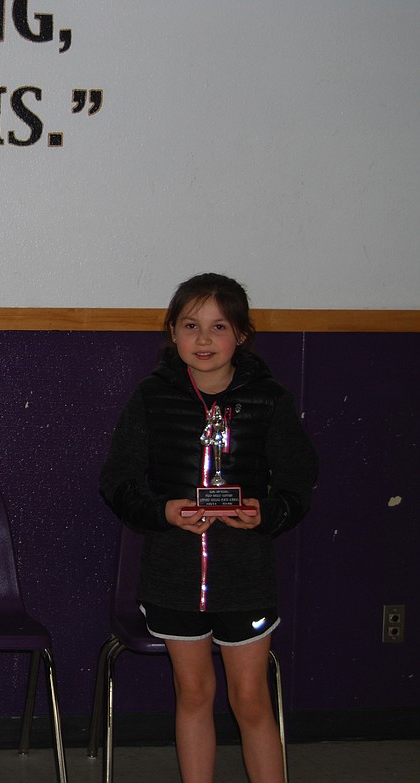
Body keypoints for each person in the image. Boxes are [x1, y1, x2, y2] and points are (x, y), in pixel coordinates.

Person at [99, 273, 318, 783]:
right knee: (193, 693)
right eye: (191, 325)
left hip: (245, 576)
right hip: (173, 573)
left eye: (218, 326)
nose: (203, 340)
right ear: (172, 332)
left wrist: (267, 512)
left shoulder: (269, 399)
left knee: (251, 700)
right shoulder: (151, 398)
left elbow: (298, 482)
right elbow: (118, 481)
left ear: (241, 334)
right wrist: (164, 512)